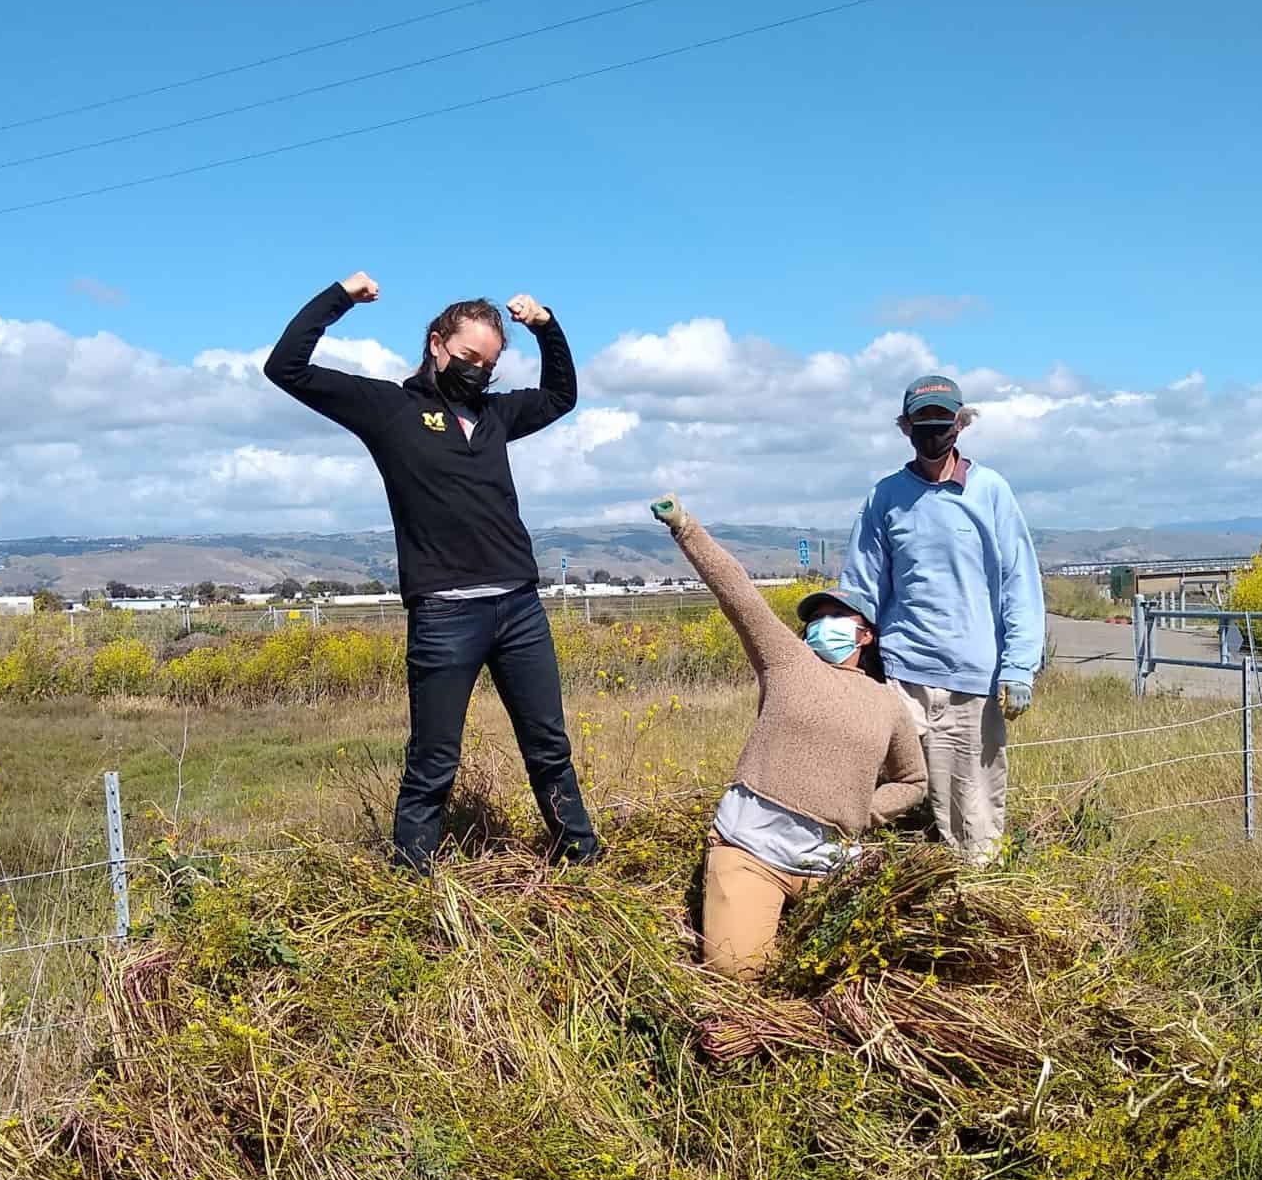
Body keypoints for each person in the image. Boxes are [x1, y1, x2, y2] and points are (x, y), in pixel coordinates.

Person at [263, 271, 598, 871]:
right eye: (469, 357)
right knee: (433, 760)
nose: (478, 371)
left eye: (489, 365)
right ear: (437, 343)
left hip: (520, 609)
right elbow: (285, 368)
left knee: (549, 747)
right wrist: (340, 297)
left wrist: (547, 327)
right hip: (445, 615)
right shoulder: (388, 409)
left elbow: (560, 396)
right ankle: (413, 883)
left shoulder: (496, 415)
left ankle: (582, 860)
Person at [650, 494, 926, 980]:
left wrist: (864, 810)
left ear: (866, 635)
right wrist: (685, 526)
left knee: (869, 966)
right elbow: (737, 593)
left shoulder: (887, 703)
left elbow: (913, 781)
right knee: (737, 971)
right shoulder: (787, 661)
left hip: (833, 862)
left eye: (835, 617)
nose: (821, 626)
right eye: (815, 619)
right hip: (751, 849)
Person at [841, 374, 1044, 861]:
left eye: (942, 421)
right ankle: (867, 878)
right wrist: (846, 660)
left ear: (961, 423)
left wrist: (1019, 666)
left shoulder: (990, 491)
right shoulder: (885, 497)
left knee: (972, 819)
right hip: (900, 679)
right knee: (871, 792)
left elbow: (1019, 582)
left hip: (971, 683)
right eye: (922, 422)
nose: (933, 432)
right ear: (905, 427)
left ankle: (977, 891)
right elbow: (862, 586)